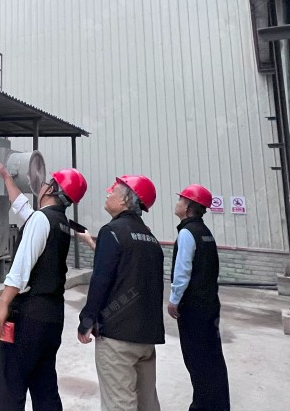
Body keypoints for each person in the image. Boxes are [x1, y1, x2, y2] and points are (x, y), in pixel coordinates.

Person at [0, 155, 93, 411]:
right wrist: (5, 176)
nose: (42, 184)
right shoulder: (60, 223)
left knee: (10, 385)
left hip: (28, 316)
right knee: (44, 384)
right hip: (51, 318)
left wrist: (3, 303)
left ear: (53, 189)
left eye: (47, 181)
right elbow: (23, 207)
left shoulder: (41, 221)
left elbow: (21, 267)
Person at [78, 175, 165, 411]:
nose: (108, 193)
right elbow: (130, 270)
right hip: (146, 337)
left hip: (117, 338)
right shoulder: (150, 238)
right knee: (147, 403)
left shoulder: (112, 231)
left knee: (119, 403)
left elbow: (102, 281)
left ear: (126, 199)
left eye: (113, 190)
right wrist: (93, 244)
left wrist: (86, 320)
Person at [168, 185, 230, 411]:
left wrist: (174, 299)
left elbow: (182, 270)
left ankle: (203, 405)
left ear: (188, 207)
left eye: (181, 200)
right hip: (209, 305)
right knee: (212, 357)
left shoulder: (187, 233)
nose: (177, 203)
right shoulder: (205, 233)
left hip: (193, 307)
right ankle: (218, 404)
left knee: (196, 359)